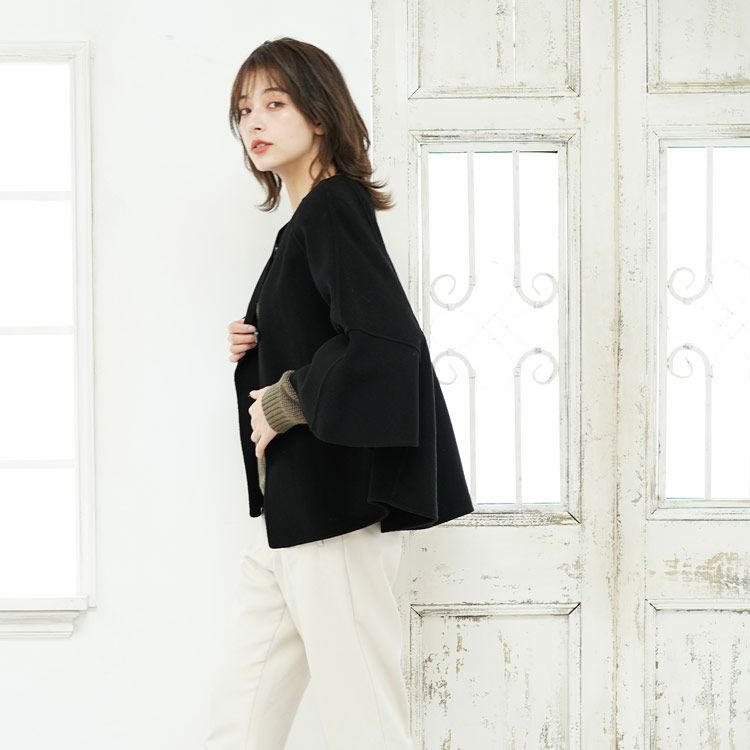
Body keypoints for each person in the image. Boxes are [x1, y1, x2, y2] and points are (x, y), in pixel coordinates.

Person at [204, 37, 473, 749]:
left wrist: (285, 397)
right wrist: (259, 345)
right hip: (295, 511)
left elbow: (383, 342)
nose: (253, 122)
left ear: (319, 115)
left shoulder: (333, 208)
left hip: (334, 514)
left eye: (274, 103)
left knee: (366, 721)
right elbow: (332, 331)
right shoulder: (302, 224)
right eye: (243, 110)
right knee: (241, 711)